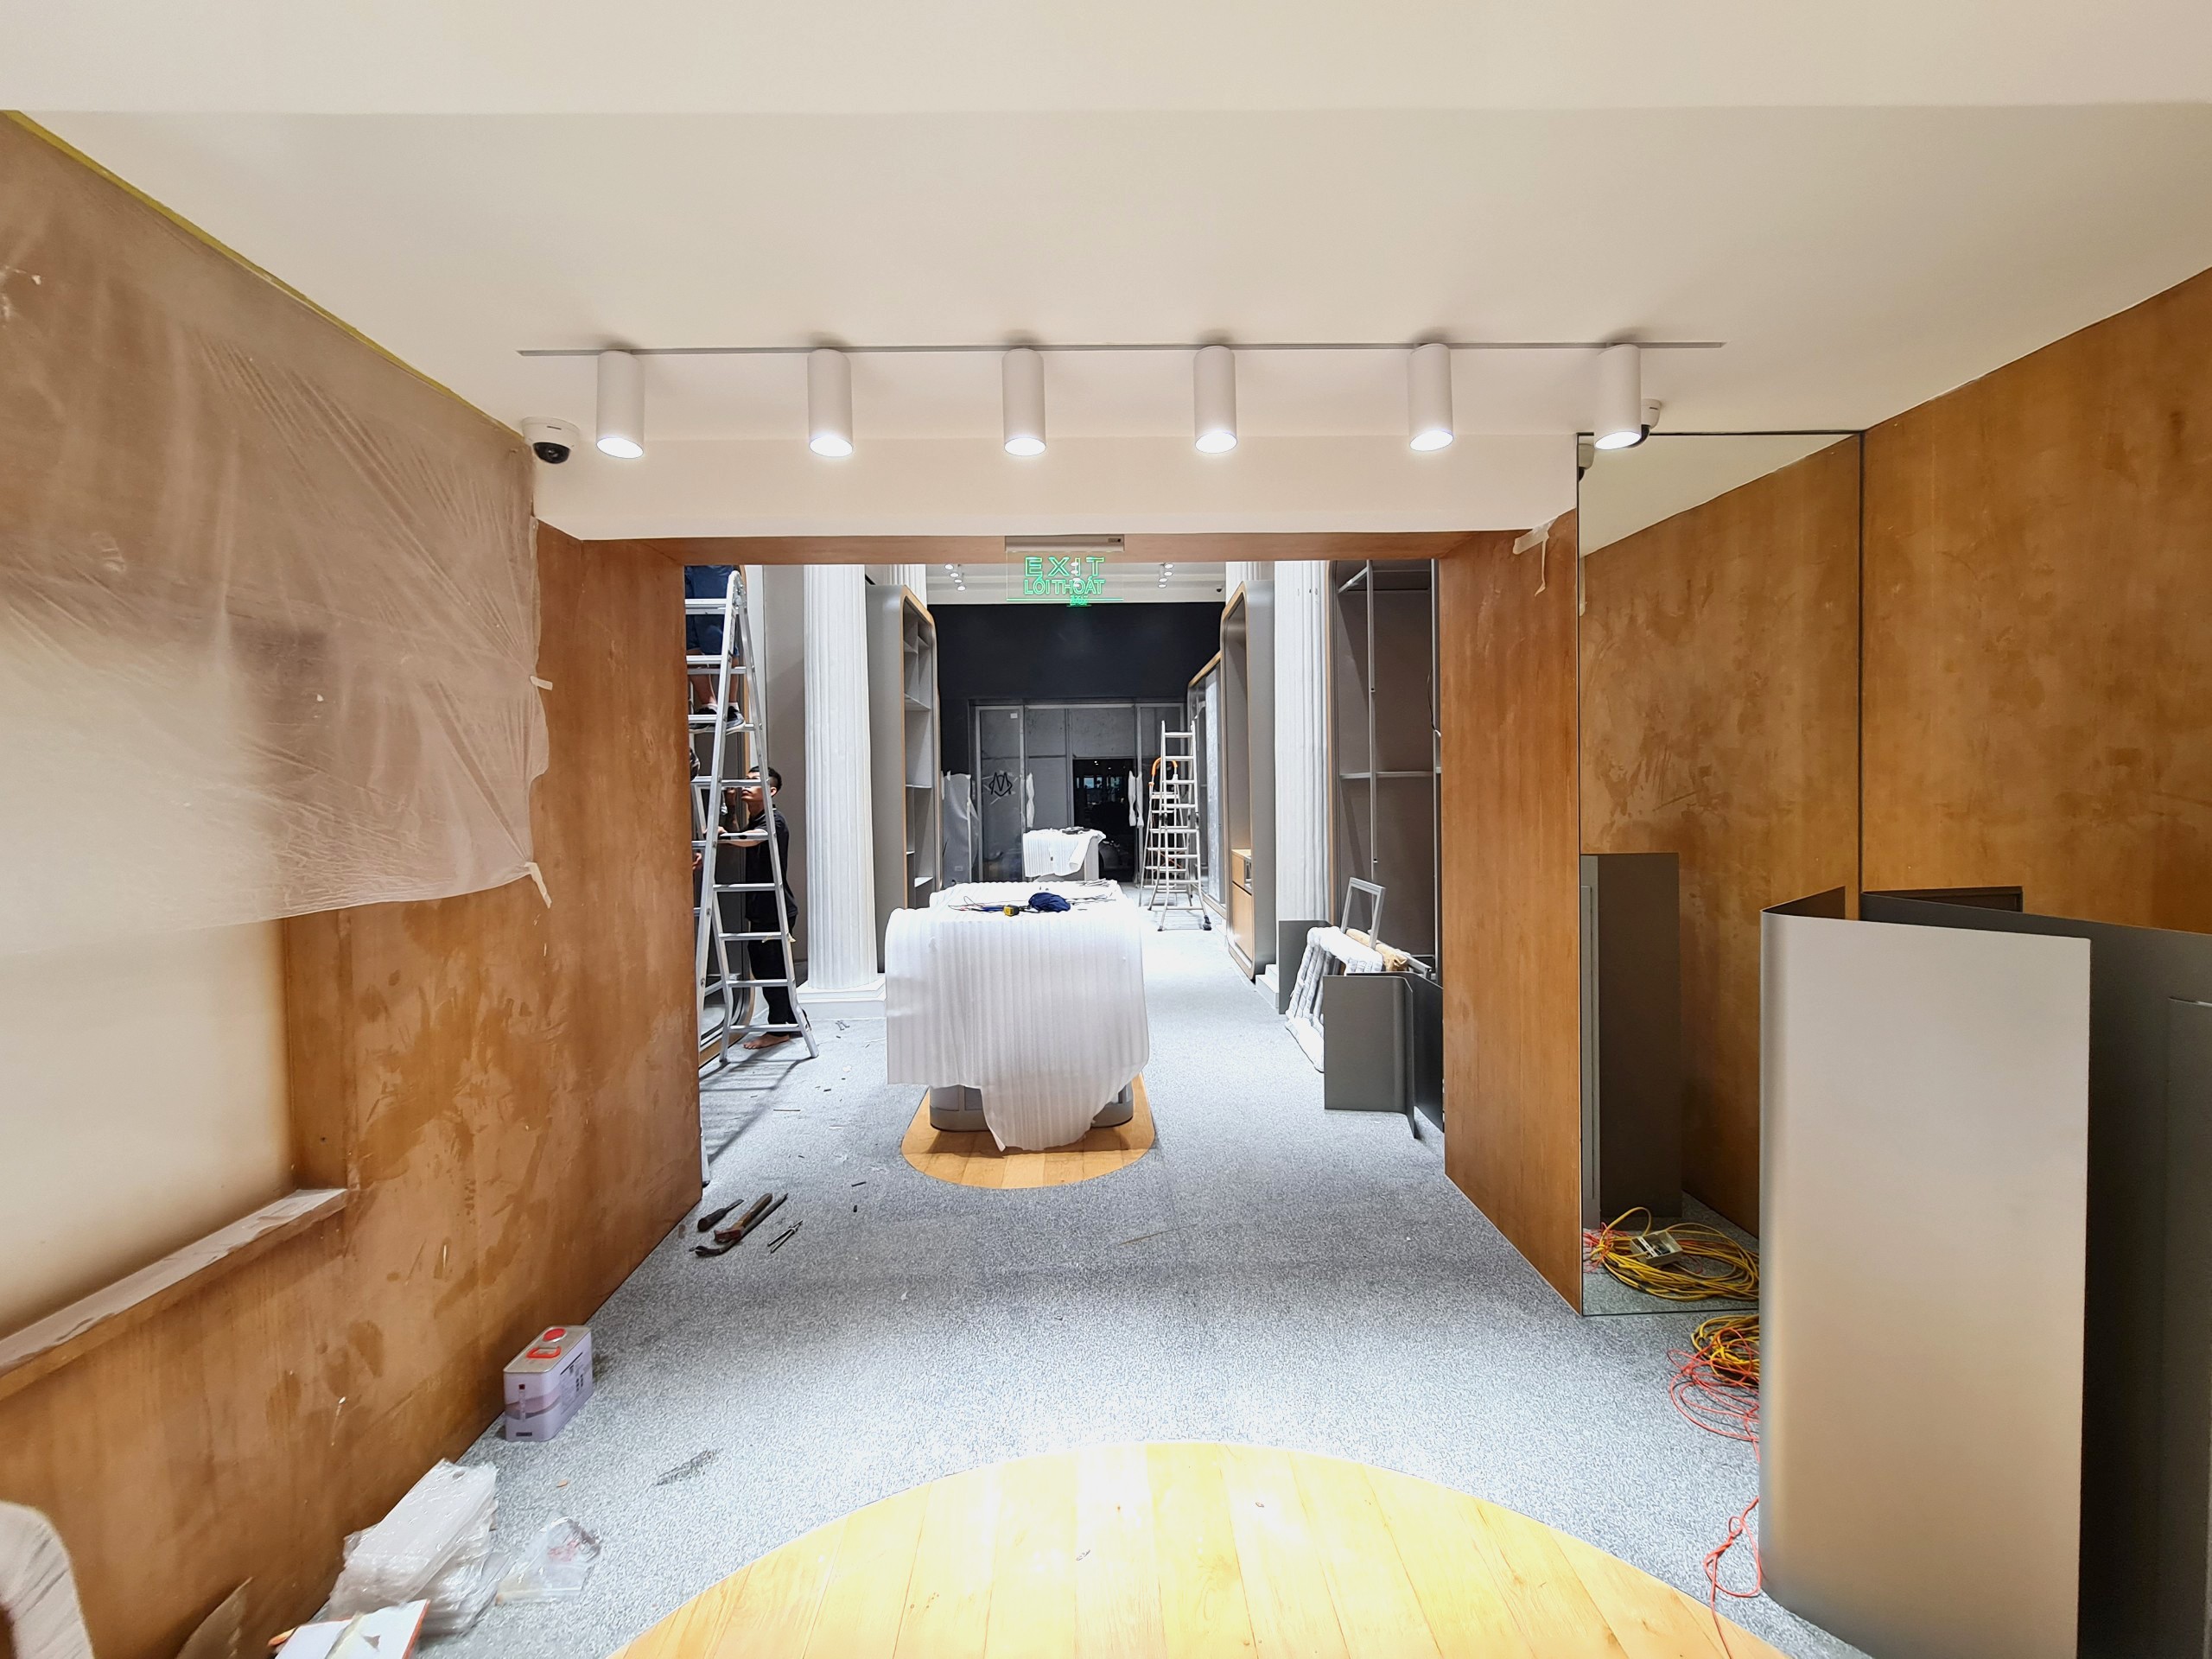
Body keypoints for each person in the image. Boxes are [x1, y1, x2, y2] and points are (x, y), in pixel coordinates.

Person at [719, 766, 799, 1050]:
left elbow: (752, 839)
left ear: (771, 791)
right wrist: (730, 808)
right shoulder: (757, 819)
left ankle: (778, 1030)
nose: (744, 785)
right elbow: (739, 838)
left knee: (771, 970)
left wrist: (723, 836)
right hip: (764, 907)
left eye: (753, 781)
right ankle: (793, 1021)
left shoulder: (774, 820)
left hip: (774, 909)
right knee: (771, 967)